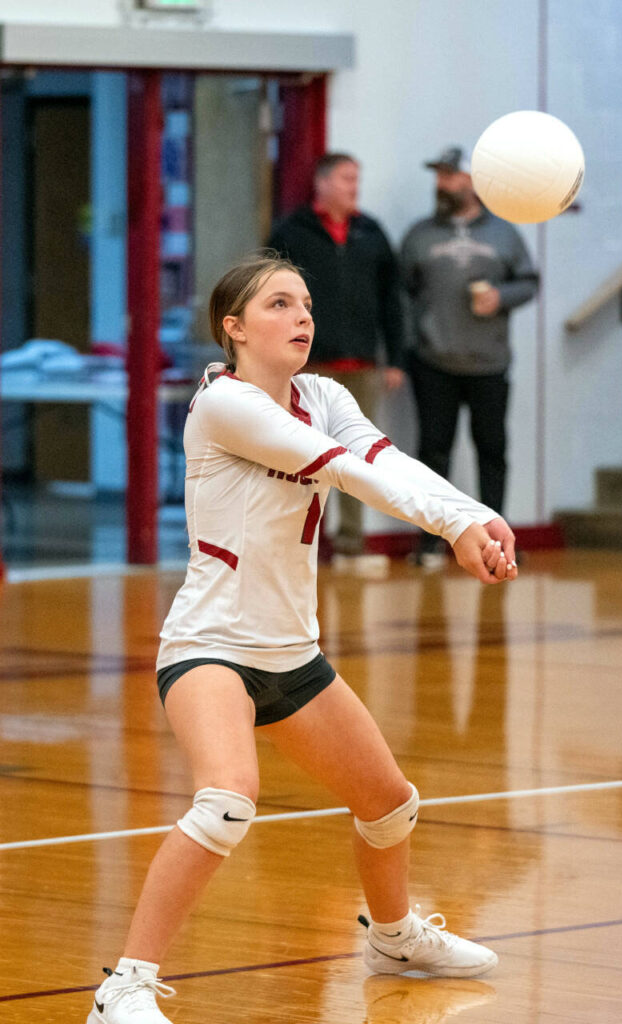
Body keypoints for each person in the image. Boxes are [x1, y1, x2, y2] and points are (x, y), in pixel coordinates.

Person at [86, 252, 515, 1024]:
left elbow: (388, 459)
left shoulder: (322, 393)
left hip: (293, 653)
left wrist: (473, 513)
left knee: (389, 805)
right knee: (225, 800)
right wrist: (452, 526)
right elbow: (346, 471)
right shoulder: (223, 404)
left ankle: (393, 937)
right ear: (235, 327)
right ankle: (125, 987)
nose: (303, 317)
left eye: (307, 303)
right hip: (209, 646)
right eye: (281, 304)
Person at [400, 145, 539, 567]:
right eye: (439, 176)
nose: (443, 184)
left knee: (491, 449)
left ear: (475, 181)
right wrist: (409, 347)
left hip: (489, 363)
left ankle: (498, 541)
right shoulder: (420, 234)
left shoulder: (505, 233)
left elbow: (530, 282)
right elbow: (403, 293)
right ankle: (429, 544)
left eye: (451, 176)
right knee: (432, 453)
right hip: (434, 361)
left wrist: (501, 297)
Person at [267, 153, 406, 567]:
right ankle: (297, 543)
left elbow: (391, 300)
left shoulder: (371, 232)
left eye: (356, 179)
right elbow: (268, 296)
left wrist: (394, 358)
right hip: (308, 366)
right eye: (346, 178)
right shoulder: (291, 231)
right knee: (302, 455)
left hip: (361, 365)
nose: (354, 187)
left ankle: (350, 544)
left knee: (358, 457)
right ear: (322, 183)